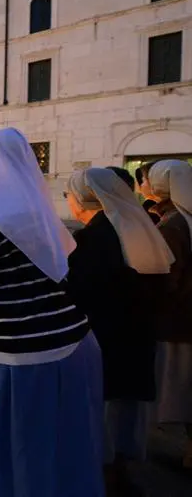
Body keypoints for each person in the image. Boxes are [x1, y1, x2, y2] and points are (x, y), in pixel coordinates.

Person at [0, 128, 102, 497]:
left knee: (4, 453)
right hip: (71, 346)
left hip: (12, 359)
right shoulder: (40, 211)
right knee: (59, 448)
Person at [66, 167, 174, 495]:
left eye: (68, 195)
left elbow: (79, 292)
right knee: (126, 409)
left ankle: (106, 475)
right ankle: (121, 470)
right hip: (138, 335)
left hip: (103, 338)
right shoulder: (139, 229)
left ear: (83, 200)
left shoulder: (91, 238)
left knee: (103, 411)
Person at [139, 159, 192, 470]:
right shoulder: (176, 219)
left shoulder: (173, 225)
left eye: (147, 179)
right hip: (183, 318)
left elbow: (163, 278)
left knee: (181, 388)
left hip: (178, 321)